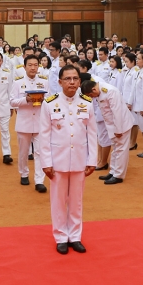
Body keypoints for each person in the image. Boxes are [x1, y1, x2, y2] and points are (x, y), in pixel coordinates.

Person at [38, 65, 97, 254]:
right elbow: (44, 135)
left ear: (80, 81)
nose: (72, 82)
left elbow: (92, 134)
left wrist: (92, 160)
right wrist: (46, 163)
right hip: (58, 160)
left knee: (76, 201)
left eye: (75, 79)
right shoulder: (50, 103)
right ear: (60, 82)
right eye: (67, 79)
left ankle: (75, 236)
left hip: (80, 159)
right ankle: (61, 236)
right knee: (58, 201)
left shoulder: (87, 103)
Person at [81, 78, 133, 185]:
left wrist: (118, 129)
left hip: (121, 125)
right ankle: (113, 171)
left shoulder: (110, 91)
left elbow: (117, 111)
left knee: (121, 150)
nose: (92, 97)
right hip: (112, 125)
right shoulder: (100, 91)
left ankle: (118, 175)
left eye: (91, 95)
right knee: (115, 149)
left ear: (94, 90)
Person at [10, 54, 48, 191]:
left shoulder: (44, 81)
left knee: (40, 152)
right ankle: (24, 173)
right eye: (30, 65)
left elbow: (49, 99)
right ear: (24, 67)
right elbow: (12, 101)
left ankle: (39, 180)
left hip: (40, 121)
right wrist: (26, 99)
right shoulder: (17, 82)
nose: (33, 68)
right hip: (24, 122)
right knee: (24, 152)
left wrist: (43, 100)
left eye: (35, 65)